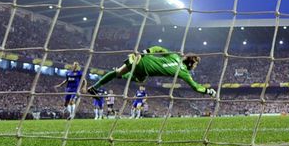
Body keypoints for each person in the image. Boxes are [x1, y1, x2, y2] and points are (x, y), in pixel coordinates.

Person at [87, 46, 216, 98]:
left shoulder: (175, 56)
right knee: (139, 79)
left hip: (142, 59)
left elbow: (158, 48)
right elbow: (195, 87)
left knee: (120, 74)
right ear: (191, 63)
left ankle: (94, 87)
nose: (195, 67)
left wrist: (146, 52)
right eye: (195, 65)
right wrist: (208, 91)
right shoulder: (184, 73)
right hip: (144, 69)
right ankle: (125, 73)